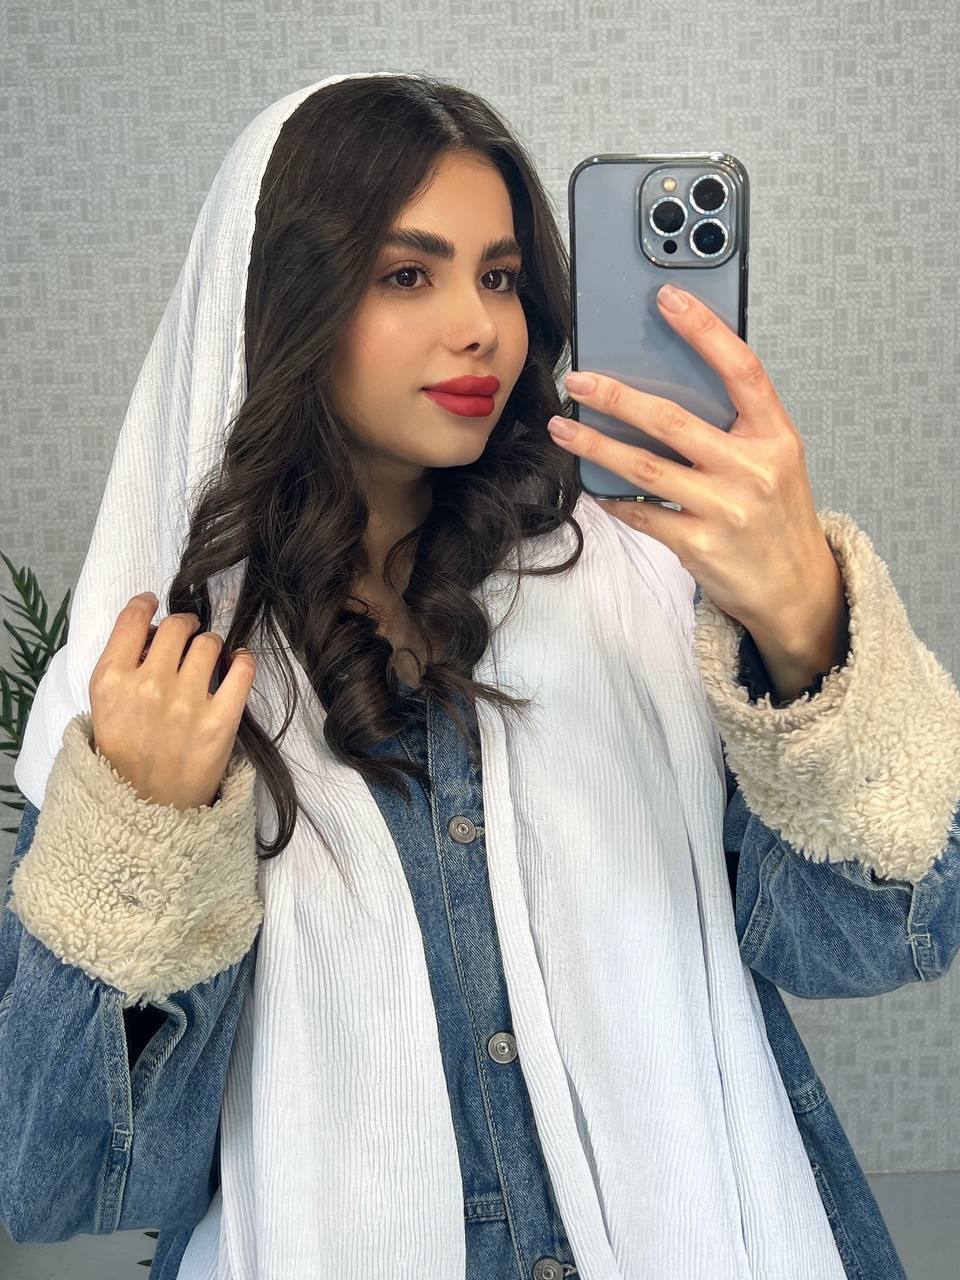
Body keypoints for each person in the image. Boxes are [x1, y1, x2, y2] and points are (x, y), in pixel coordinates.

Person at [3, 71, 958, 1280]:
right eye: (409, 275)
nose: (481, 330)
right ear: (283, 298)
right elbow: (75, 1179)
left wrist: (806, 627)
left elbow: (872, 945)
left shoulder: (648, 586)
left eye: (500, 277)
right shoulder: (154, 683)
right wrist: (143, 835)